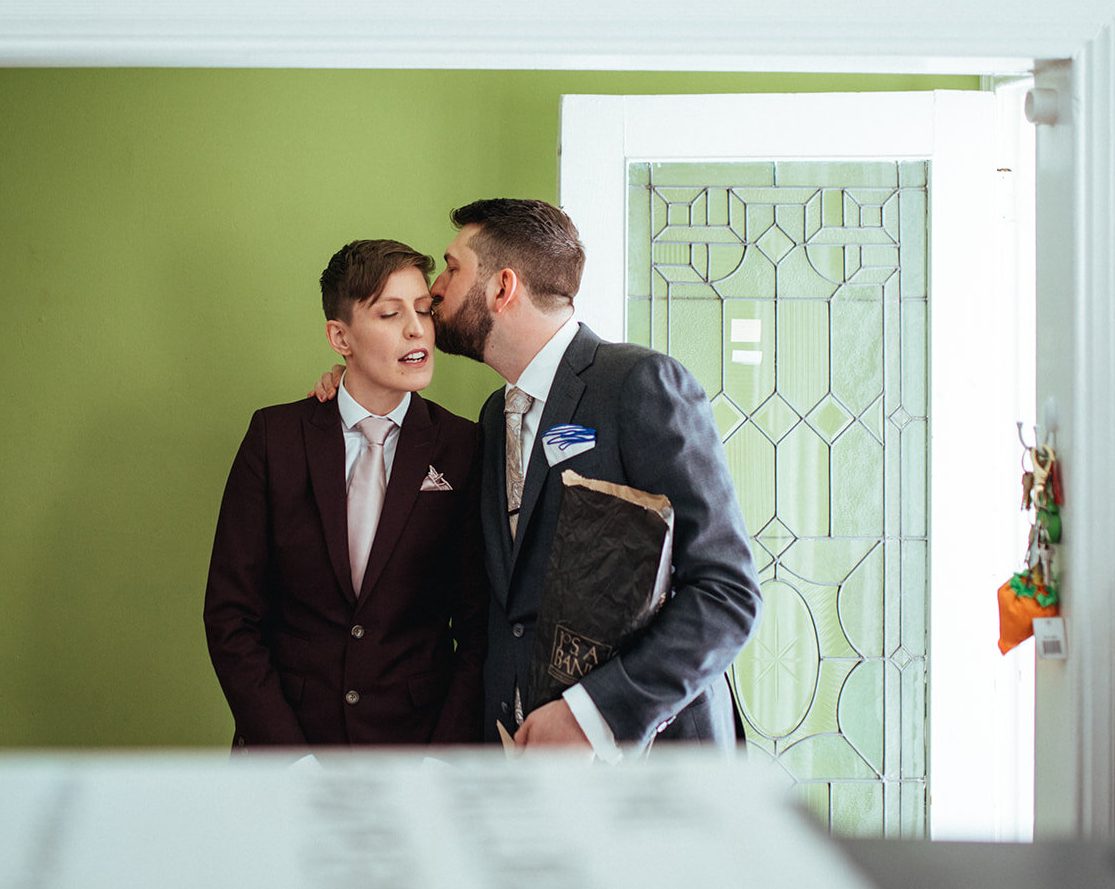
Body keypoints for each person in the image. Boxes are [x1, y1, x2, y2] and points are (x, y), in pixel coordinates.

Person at [318, 200, 761, 758]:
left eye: (452, 269)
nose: (435, 291)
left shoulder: (638, 384)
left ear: (502, 288)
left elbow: (727, 593)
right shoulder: (489, 418)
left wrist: (593, 714)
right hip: (521, 767)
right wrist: (347, 390)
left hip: (651, 767)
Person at [205, 239, 487, 749]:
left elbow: (478, 628)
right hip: (288, 745)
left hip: (415, 751)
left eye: (424, 310)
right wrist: (290, 760)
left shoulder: (464, 446)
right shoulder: (275, 438)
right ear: (341, 337)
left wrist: (444, 763)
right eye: (389, 314)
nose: (416, 329)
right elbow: (231, 617)